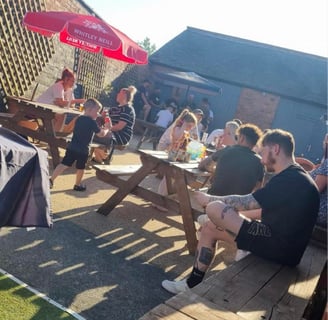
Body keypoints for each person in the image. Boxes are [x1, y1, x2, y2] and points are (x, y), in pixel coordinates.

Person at [162, 129, 320, 294]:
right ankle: (192, 283)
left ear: (275, 149)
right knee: (209, 228)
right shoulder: (296, 176)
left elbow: (247, 203)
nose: (261, 160)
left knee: (215, 208)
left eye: (263, 151)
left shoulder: (290, 179)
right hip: (281, 245)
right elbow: (261, 211)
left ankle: (243, 244)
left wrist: (208, 200)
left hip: (279, 249)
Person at [50, 98, 110, 191]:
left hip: (72, 146)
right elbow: (101, 134)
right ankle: (77, 184)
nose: (98, 114)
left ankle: (51, 179)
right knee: (81, 168)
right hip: (83, 150)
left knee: (64, 164)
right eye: (97, 111)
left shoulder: (79, 118)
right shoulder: (92, 122)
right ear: (89, 110)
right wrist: (107, 129)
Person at [199, 123, 264, 196]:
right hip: (237, 205)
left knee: (197, 191)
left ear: (242, 138)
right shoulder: (260, 162)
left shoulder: (226, 150)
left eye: (237, 137)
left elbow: (202, 165)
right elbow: (258, 190)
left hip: (214, 199)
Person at [92, 86, 137, 163]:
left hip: (121, 135)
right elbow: (104, 119)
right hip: (110, 132)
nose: (117, 94)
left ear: (124, 95)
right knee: (93, 129)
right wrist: (102, 116)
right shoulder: (114, 108)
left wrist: (106, 129)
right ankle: (102, 155)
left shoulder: (128, 109)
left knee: (96, 133)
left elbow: (119, 127)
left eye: (119, 93)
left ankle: (104, 155)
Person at [36, 68, 86, 132]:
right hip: (41, 108)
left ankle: (54, 134)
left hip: (51, 110)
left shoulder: (69, 90)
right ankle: (53, 137)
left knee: (64, 116)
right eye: (72, 81)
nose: (74, 83)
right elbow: (61, 103)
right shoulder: (58, 86)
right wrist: (77, 101)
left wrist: (65, 102)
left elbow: (72, 105)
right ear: (66, 79)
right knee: (61, 117)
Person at [310, 133, 328, 228]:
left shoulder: (327, 164)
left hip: (321, 212)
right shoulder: (324, 164)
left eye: (324, 141)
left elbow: (314, 190)